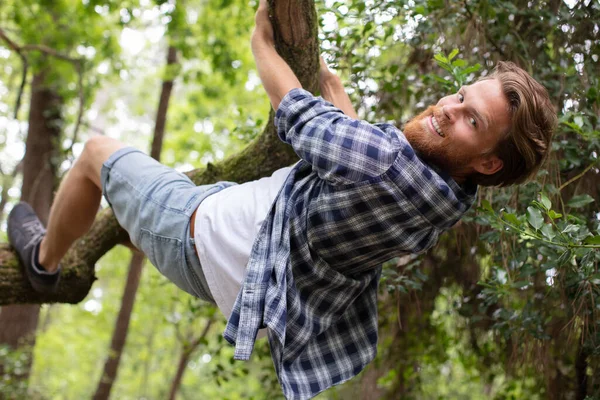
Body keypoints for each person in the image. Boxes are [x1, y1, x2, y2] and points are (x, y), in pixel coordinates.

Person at [7, 1, 556, 399]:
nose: (447, 108)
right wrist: (334, 86)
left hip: (201, 235)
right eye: (460, 95)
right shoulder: (450, 198)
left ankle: (47, 264)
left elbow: (297, 112)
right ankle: (128, 232)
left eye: (471, 119)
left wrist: (263, 44)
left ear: (488, 160)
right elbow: (364, 155)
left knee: (95, 153)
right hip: (254, 268)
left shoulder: (382, 161)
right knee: (153, 194)